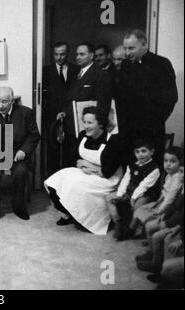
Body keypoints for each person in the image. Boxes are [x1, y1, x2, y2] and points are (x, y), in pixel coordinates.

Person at [45, 106, 123, 235]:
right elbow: (76, 160)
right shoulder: (83, 135)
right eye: (84, 122)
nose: (86, 126)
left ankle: (87, 220)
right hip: (86, 171)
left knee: (74, 185)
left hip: (107, 179)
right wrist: (86, 166)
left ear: (101, 124)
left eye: (90, 123)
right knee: (55, 180)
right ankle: (67, 213)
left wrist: (88, 166)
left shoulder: (112, 141)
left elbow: (107, 171)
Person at [0, 87, 40, 224]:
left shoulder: (26, 113)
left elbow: (34, 135)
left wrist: (23, 151)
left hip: (16, 154)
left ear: (12, 101)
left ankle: (18, 206)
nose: (0, 105)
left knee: (21, 171)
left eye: (4, 102)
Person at [120, 29, 178, 167]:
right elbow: (122, 96)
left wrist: (153, 122)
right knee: (130, 169)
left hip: (151, 130)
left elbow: (170, 97)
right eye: (125, 48)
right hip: (129, 129)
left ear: (144, 45)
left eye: (131, 48)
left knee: (151, 171)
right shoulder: (126, 65)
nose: (127, 53)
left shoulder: (162, 64)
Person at [58, 43, 112, 167]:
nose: (78, 57)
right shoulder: (76, 74)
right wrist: (64, 111)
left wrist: (99, 129)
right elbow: (71, 99)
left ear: (91, 56)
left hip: (89, 128)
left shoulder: (100, 74)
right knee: (71, 160)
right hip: (72, 126)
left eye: (82, 54)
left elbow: (103, 105)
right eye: (77, 54)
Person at [106, 138, 160, 240]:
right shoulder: (132, 165)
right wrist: (120, 194)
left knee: (138, 205)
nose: (140, 154)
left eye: (144, 151)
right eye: (137, 152)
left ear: (152, 152)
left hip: (145, 194)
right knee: (109, 198)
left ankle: (133, 229)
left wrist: (133, 198)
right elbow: (126, 179)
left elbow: (144, 186)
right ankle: (118, 223)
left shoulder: (154, 168)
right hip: (130, 192)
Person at [127, 147, 183, 239]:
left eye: (173, 162)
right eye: (166, 161)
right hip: (161, 202)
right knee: (140, 209)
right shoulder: (169, 175)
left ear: (179, 163)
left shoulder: (177, 178)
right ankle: (133, 229)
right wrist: (157, 202)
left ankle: (134, 231)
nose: (168, 164)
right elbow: (164, 192)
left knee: (149, 215)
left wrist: (160, 210)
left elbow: (170, 198)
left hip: (169, 206)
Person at [42, 41, 79, 175]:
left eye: (62, 54)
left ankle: (69, 179)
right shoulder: (45, 71)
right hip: (51, 115)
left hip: (71, 114)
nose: (59, 57)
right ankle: (53, 181)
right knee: (53, 149)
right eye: (56, 54)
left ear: (67, 54)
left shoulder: (76, 70)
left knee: (70, 149)